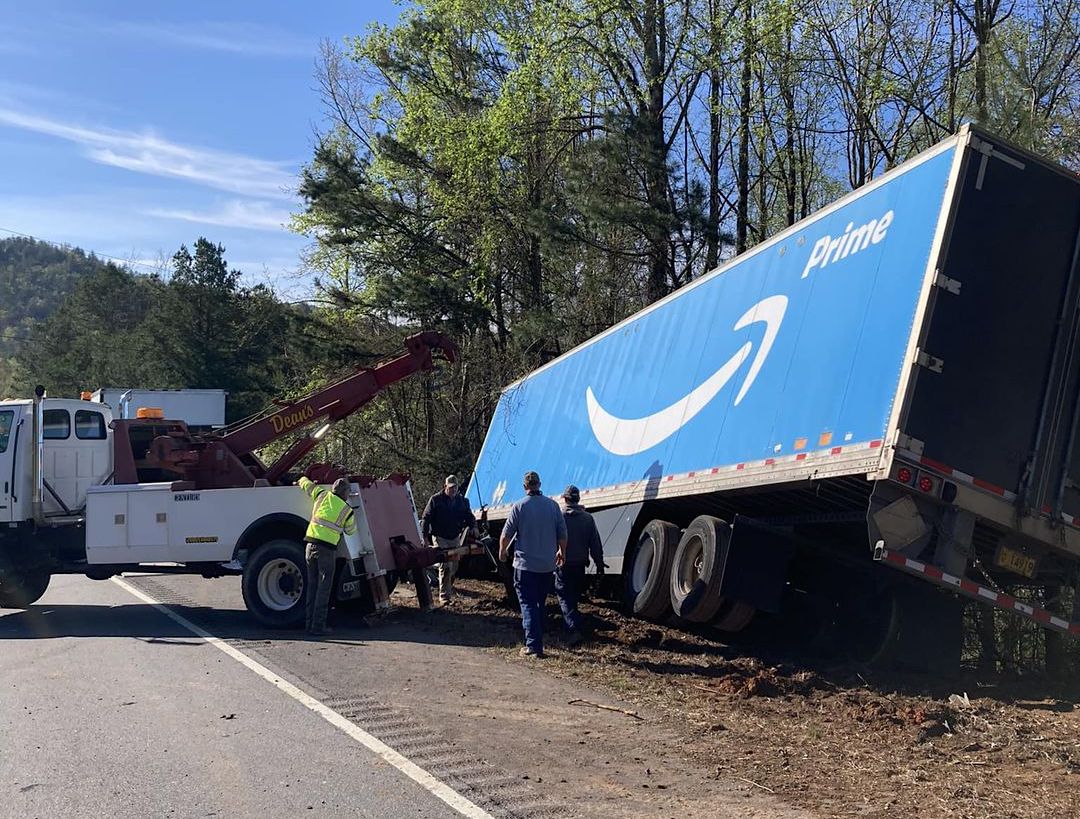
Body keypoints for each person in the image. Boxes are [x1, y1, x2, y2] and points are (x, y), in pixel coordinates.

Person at [499, 471, 566, 658]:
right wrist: (562, 552)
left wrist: (502, 552)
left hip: (525, 566)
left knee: (527, 604)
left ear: (524, 487)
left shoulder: (519, 507)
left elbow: (506, 535)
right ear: (540, 484)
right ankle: (537, 638)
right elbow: (563, 534)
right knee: (539, 603)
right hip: (547, 566)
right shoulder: (553, 506)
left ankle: (533, 646)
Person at [298, 476, 356, 636]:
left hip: (310, 546)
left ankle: (308, 624)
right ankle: (318, 627)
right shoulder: (346, 510)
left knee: (312, 586)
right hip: (326, 550)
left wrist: (301, 478)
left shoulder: (321, 494)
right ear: (345, 493)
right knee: (323, 589)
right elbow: (351, 531)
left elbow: (307, 486)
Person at [556, 485, 605, 647]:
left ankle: (573, 629)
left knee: (564, 597)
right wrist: (599, 563)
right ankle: (574, 625)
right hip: (580, 565)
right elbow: (595, 544)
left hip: (563, 563)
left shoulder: (559, 517)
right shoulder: (588, 519)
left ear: (565, 499)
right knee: (574, 597)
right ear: (578, 499)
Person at [420, 475, 476, 604]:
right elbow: (426, 518)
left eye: (455, 487)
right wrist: (425, 537)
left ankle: (447, 587)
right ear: (445, 487)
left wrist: (474, 527)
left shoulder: (463, 501)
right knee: (445, 565)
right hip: (440, 536)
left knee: (454, 566)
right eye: (451, 488)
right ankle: (444, 597)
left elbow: (470, 516)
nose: (453, 490)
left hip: (455, 537)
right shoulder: (435, 500)